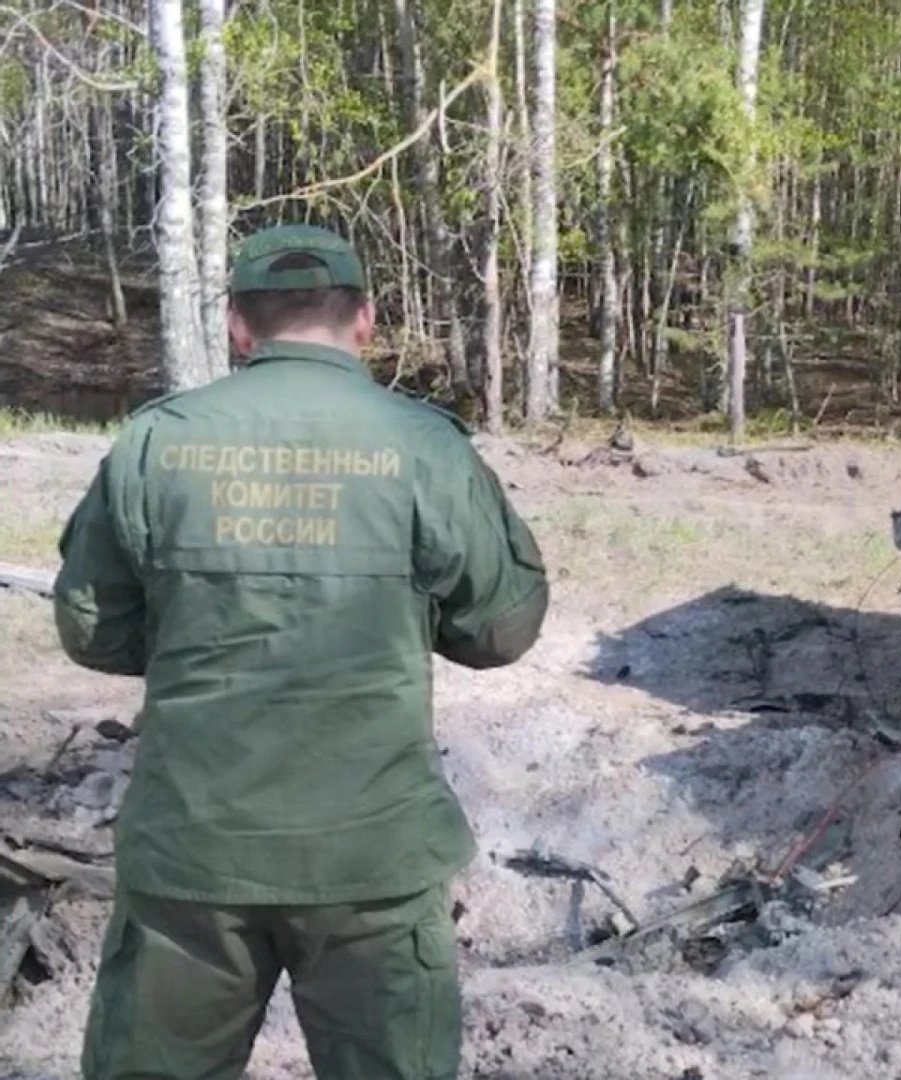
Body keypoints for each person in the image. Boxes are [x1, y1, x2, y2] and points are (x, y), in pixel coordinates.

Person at [52, 224, 549, 1080]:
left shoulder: (155, 442)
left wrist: (192, 634)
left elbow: (92, 627)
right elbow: (502, 629)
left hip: (193, 857)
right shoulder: (422, 446)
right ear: (364, 320)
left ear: (239, 328)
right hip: (372, 860)